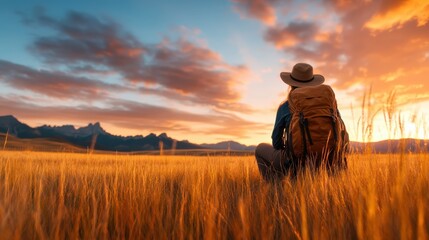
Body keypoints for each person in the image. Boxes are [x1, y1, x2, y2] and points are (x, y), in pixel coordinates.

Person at [255, 63, 348, 181]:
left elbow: (276, 142)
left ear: (291, 84)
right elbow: (343, 135)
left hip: (296, 164)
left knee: (260, 149)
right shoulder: (329, 105)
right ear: (313, 82)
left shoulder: (285, 106)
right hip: (331, 162)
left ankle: (276, 186)